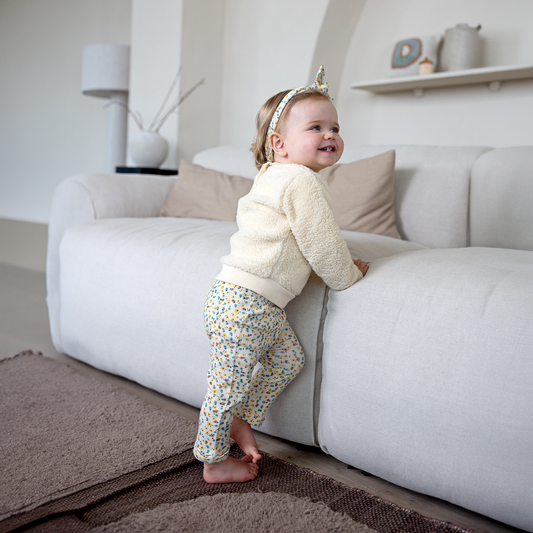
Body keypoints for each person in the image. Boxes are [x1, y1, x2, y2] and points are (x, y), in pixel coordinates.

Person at [193, 66, 369, 484]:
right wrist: (347, 276)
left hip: (254, 304)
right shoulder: (301, 181)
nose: (330, 134)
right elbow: (321, 243)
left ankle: (240, 418)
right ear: (279, 144)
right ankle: (212, 460)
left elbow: (297, 242)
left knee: (289, 359)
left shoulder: (274, 175)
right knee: (226, 383)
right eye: (316, 127)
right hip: (245, 303)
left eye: (335, 127)